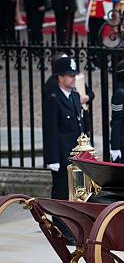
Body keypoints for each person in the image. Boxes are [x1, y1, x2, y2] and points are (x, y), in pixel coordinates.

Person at [43, 57, 86, 200]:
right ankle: (58, 223)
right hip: (62, 156)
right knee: (62, 194)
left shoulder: (74, 96)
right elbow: (51, 131)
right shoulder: (54, 99)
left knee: (79, 194)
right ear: (60, 77)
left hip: (77, 156)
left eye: (74, 75)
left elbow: (80, 124)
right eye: (70, 75)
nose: (74, 79)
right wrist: (53, 159)